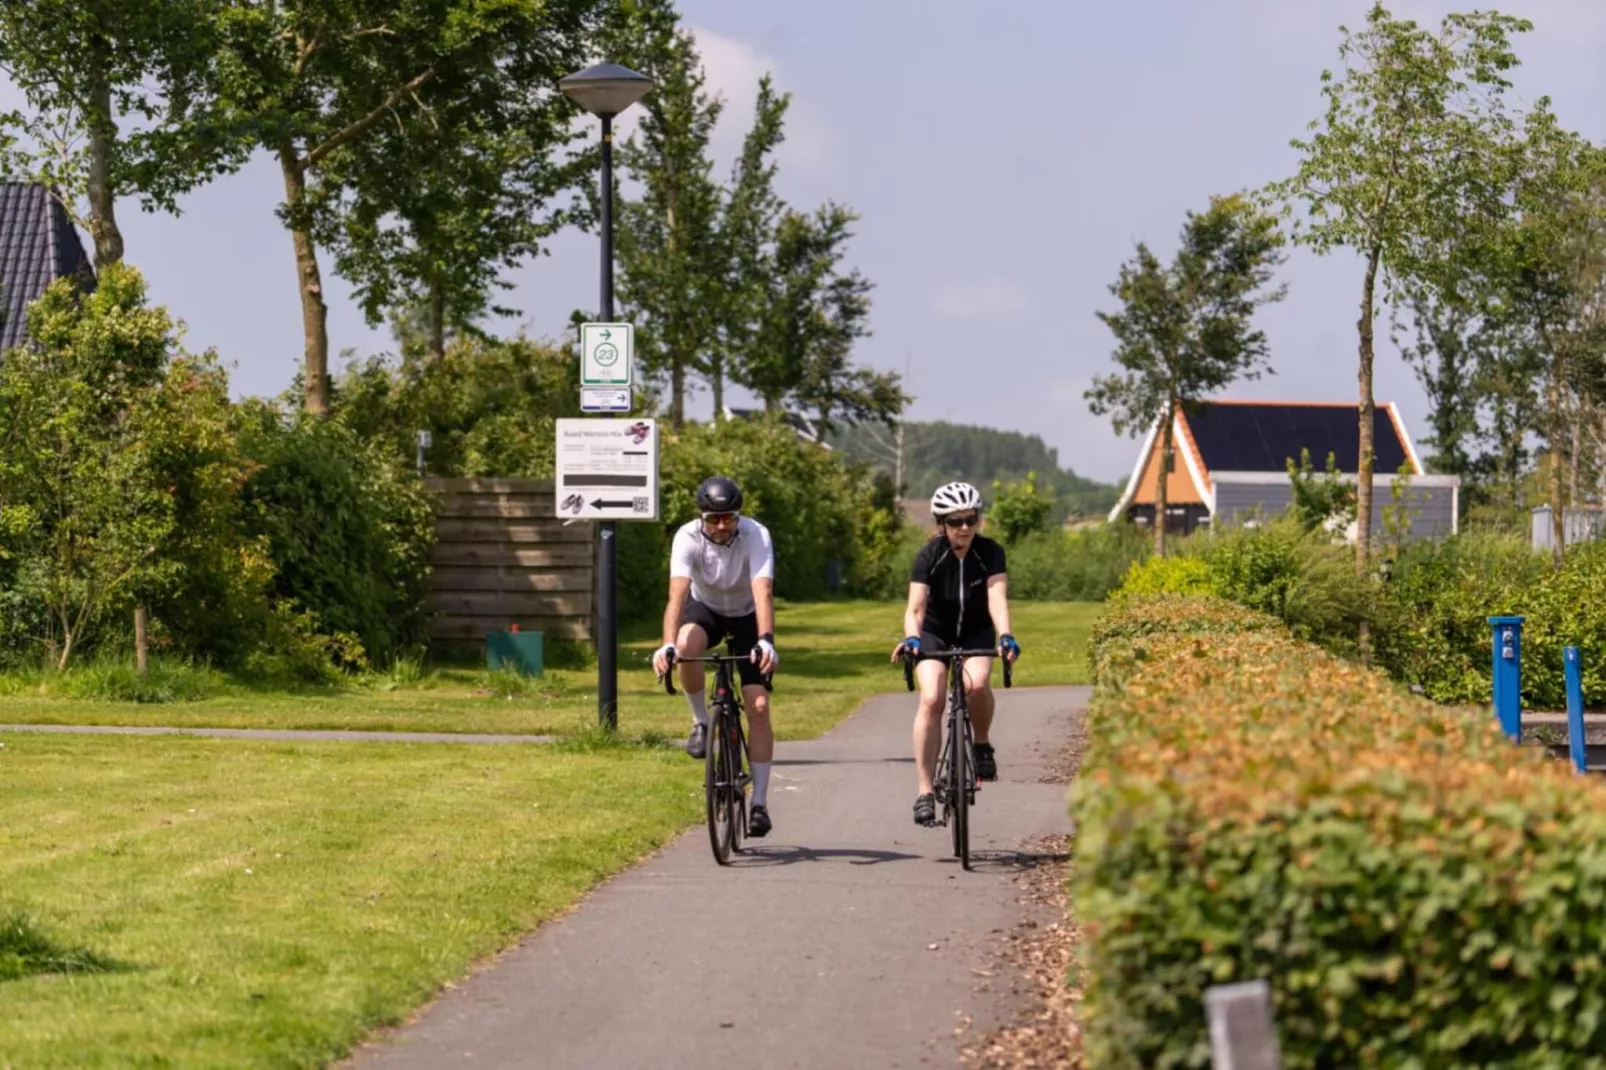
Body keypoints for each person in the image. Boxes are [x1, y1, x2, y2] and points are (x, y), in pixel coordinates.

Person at [652, 476, 780, 837]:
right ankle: (701, 722)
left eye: (729, 518)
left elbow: (763, 590)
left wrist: (766, 640)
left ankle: (759, 803)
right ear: (702, 518)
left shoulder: (756, 535)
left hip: (747, 616)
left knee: (757, 707)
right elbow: (677, 596)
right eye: (714, 519)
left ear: (738, 517)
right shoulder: (687, 537)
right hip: (706, 609)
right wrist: (667, 644)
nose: (722, 526)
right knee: (687, 646)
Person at [891, 481, 1021, 828]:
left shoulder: (990, 552)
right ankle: (924, 791)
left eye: (971, 519)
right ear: (941, 523)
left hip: (975, 630)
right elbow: (915, 608)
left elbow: (996, 597)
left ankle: (981, 744)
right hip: (934, 632)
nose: (964, 528)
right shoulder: (929, 556)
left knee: (977, 684)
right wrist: (912, 638)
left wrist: (1006, 635)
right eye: (955, 521)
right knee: (932, 699)